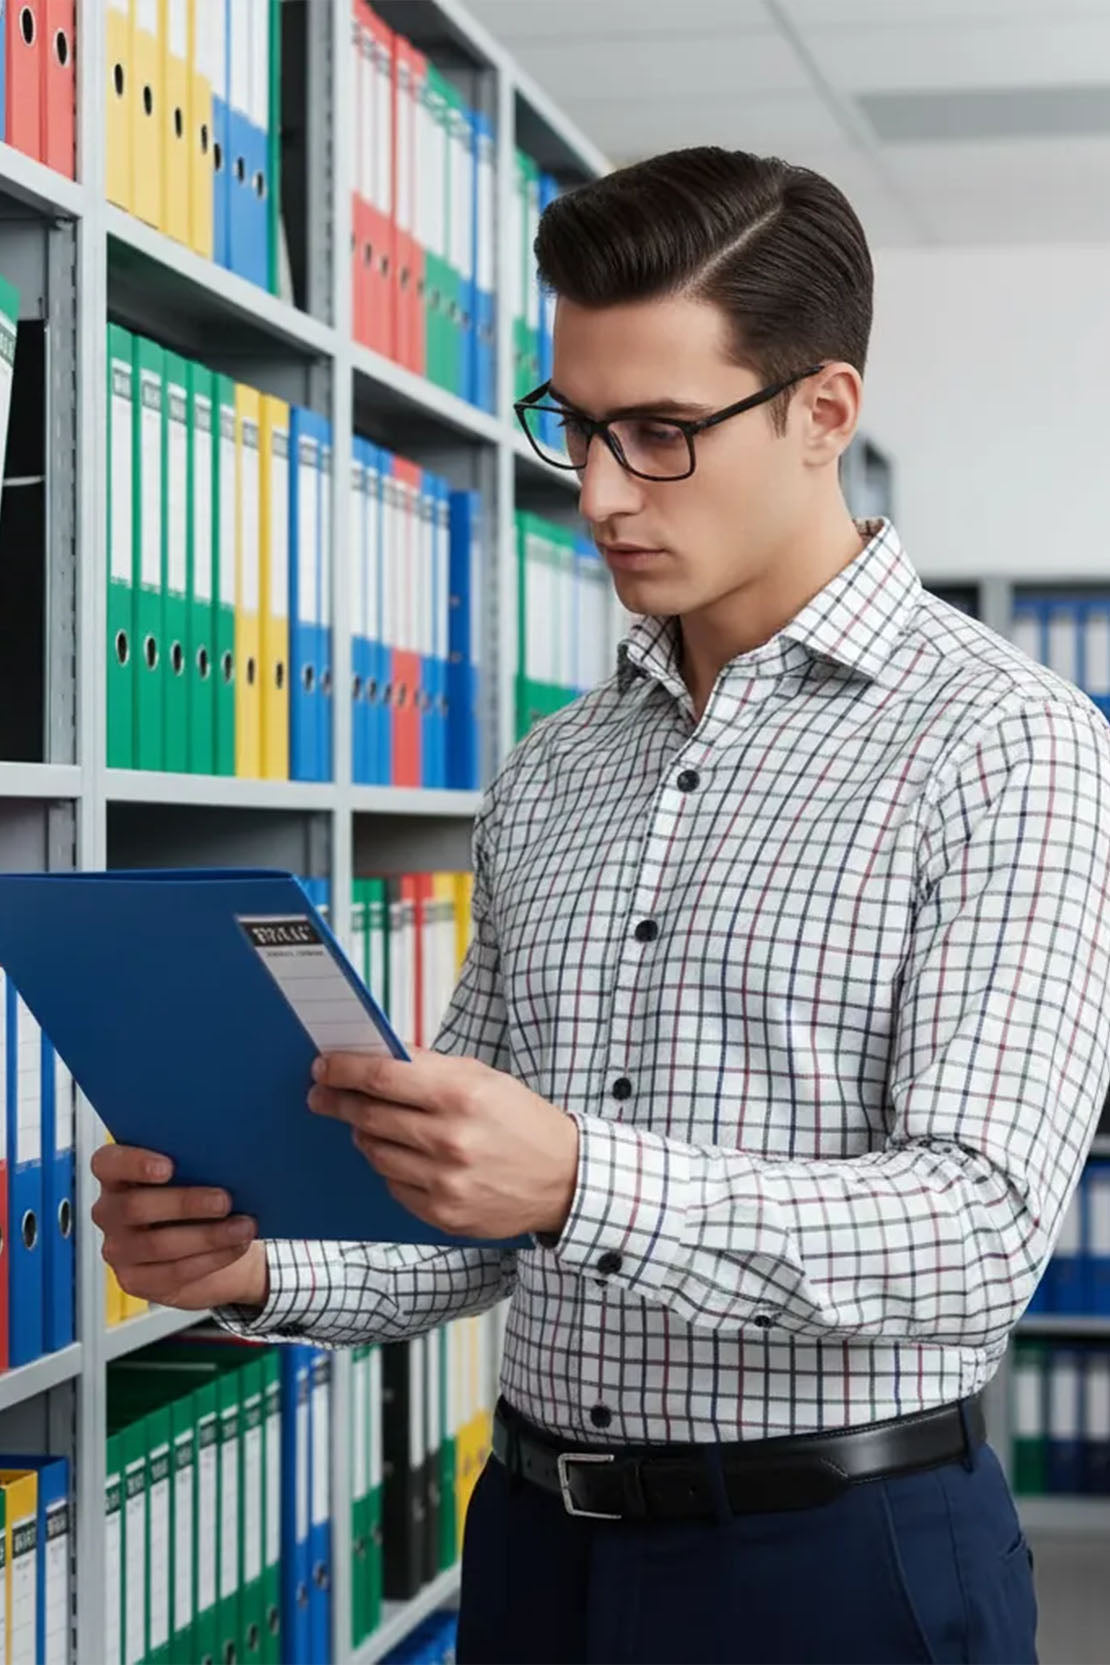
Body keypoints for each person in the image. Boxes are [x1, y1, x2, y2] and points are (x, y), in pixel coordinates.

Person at [92, 147, 1110, 1665]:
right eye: (576, 427)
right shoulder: (555, 768)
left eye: (660, 432)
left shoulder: (1005, 740)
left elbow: (977, 1227)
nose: (601, 491)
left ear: (822, 413)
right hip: (535, 1552)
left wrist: (580, 1180)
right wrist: (255, 1266)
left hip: (841, 1563)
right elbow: (474, 1206)